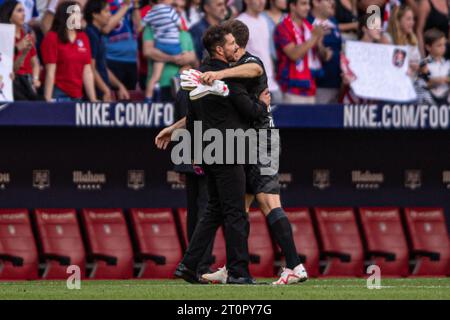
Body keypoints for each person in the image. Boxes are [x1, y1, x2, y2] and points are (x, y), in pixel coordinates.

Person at [174, 25, 270, 285]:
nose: (236, 47)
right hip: (229, 149)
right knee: (236, 212)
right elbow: (250, 111)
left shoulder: (197, 76)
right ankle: (239, 272)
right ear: (219, 49)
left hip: (208, 150)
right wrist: (263, 104)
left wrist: (193, 150)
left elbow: (193, 116)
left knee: (214, 210)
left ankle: (188, 264)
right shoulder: (229, 77)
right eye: (231, 44)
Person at [40, 1, 97, 102]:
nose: (81, 16)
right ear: (66, 16)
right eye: (77, 13)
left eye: (81, 13)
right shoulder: (52, 37)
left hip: (78, 95)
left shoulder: (83, 37)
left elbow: (87, 71)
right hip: (58, 93)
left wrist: (93, 99)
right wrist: (48, 99)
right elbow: (50, 71)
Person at [274, 0, 325, 104]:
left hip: (310, 89)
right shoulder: (282, 28)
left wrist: (320, 44)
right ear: (292, 6)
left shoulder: (310, 28)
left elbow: (324, 57)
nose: (308, 8)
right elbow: (294, 54)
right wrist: (314, 37)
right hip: (291, 90)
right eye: (303, 4)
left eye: (308, 4)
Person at [84, 0, 130, 102]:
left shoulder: (98, 35)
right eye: (106, 11)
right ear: (95, 14)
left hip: (101, 92)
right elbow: (91, 67)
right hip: (94, 96)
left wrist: (119, 85)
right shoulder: (90, 34)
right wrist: (105, 90)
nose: (109, 15)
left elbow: (102, 67)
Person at [237, 0, 282, 103]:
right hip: (254, 87)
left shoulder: (264, 20)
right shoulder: (240, 23)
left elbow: (266, 52)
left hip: (272, 85)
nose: (262, 2)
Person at [142, 19, 197, 102]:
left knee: (186, 67)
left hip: (180, 85)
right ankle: (148, 99)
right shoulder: (154, 30)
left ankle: (177, 77)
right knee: (155, 77)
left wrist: (187, 58)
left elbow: (194, 61)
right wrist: (173, 58)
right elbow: (148, 52)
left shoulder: (185, 35)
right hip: (161, 86)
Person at [143, 0, 184, 103]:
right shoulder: (170, 10)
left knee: (155, 77)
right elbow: (180, 25)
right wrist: (172, 58)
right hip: (174, 47)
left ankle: (147, 100)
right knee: (184, 63)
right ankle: (176, 78)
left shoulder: (152, 12)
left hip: (160, 45)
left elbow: (141, 24)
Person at [0, 0, 41, 100]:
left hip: (28, 81)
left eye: (23, 10)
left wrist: (35, 80)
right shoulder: (4, 37)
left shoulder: (27, 36)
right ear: (9, 16)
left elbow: (35, 63)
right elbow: (11, 69)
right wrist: (19, 49)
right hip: (15, 82)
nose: (24, 14)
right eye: (19, 11)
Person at [308, 0, 341, 104]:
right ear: (316, 2)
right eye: (328, 0)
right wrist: (320, 46)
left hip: (338, 84)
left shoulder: (333, 21)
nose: (332, 2)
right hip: (319, 85)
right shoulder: (308, 22)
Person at [105, 0, 141, 90]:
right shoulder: (107, 2)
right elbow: (106, 27)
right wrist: (125, 6)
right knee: (112, 100)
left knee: (130, 99)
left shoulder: (131, 3)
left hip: (131, 60)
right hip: (112, 59)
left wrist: (136, 5)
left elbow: (138, 28)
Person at [386, 4, 421, 78]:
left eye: (413, 19)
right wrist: (408, 64)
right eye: (408, 19)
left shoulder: (412, 40)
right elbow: (387, 63)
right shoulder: (387, 38)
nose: (412, 22)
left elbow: (417, 63)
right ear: (397, 21)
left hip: (413, 81)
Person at [423, 28, 449, 104]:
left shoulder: (447, 63)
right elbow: (422, 85)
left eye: (444, 44)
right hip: (430, 103)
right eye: (439, 45)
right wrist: (437, 81)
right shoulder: (424, 65)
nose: (443, 48)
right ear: (428, 47)